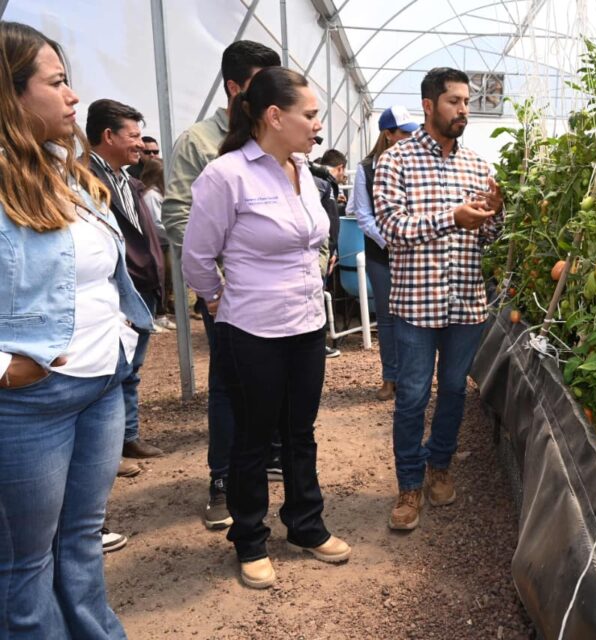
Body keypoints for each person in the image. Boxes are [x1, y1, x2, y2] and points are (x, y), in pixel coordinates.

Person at [0, 21, 153, 637]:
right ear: (10, 94)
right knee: (24, 561)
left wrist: (118, 324)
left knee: (81, 540)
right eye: (58, 82)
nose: (73, 97)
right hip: (31, 404)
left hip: (100, 384)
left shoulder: (65, 172)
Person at [182, 66, 351, 589]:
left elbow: (314, 238)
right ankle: (250, 539)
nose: (317, 124)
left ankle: (305, 524)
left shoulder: (303, 171)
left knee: (299, 432)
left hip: (305, 324)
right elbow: (197, 258)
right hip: (251, 327)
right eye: (310, 114)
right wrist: (217, 301)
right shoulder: (227, 175)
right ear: (274, 116)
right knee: (254, 437)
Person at [374, 68, 503, 531]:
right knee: (411, 396)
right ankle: (408, 486)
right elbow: (392, 229)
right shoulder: (397, 162)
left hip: (466, 302)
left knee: (452, 391)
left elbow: (488, 235)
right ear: (429, 106)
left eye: (466, 101)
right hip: (415, 304)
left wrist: (494, 215)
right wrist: (452, 217)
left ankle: (439, 467)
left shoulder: (477, 165)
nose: (463, 109)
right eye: (454, 101)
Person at [161, 40, 281, 530]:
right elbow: (176, 213)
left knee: (275, 378)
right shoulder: (198, 142)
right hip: (227, 293)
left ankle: (264, 457)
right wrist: (217, 279)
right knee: (230, 383)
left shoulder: (273, 138)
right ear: (234, 87)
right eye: (260, 84)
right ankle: (223, 478)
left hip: (274, 295)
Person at [87, 99, 167, 473]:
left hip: (141, 287)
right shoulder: (85, 178)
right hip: (119, 289)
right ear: (108, 135)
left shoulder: (126, 180)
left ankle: (126, 437)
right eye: (133, 136)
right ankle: (109, 450)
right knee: (110, 371)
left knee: (130, 369)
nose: (140, 144)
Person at [347, 105, 418, 401]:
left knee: (412, 317)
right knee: (388, 318)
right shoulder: (366, 169)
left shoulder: (417, 165)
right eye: (404, 133)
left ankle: (412, 378)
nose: (410, 138)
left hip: (413, 252)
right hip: (383, 253)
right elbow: (363, 215)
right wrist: (392, 240)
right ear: (388, 135)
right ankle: (390, 378)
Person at [309, 148, 347, 358]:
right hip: (319, 253)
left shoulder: (327, 183)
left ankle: (318, 343)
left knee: (320, 293)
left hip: (327, 251)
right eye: (344, 171)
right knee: (315, 295)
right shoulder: (321, 182)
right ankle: (316, 345)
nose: (344, 176)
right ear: (340, 167)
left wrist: (332, 251)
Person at [140, 156, 176, 327]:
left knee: (167, 278)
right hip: (158, 243)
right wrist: (174, 233)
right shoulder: (152, 195)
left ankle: (162, 311)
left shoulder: (157, 193)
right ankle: (158, 314)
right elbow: (156, 223)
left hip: (163, 242)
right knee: (160, 278)